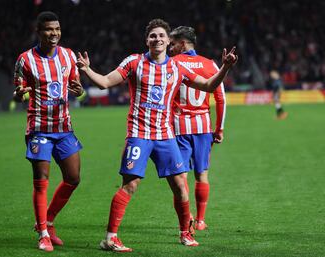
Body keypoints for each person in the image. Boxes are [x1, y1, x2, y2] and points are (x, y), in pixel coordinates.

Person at [77, 18, 237, 252]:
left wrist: (225, 68)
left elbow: (209, 86)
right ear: (147, 40)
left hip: (165, 135)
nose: (158, 39)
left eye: (162, 36)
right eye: (153, 36)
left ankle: (185, 233)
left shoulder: (177, 67)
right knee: (130, 185)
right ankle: (110, 238)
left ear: (168, 40)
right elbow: (105, 82)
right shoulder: (134, 62)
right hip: (139, 134)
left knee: (181, 185)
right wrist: (87, 69)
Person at [12, 11, 85, 252]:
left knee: (73, 178)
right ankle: (43, 232)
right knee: (41, 181)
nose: (53, 33)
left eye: (57, 29)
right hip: (39, 129)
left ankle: (49, 220)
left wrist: (79, 91)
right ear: (39, 32)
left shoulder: (68, 55)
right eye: (48, 29)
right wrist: (19, 94)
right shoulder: (25, 59)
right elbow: (18, 90)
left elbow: (77, 87)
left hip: (64, 128)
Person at [169, 26, 226, 232]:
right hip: (203, 128)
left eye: (173, 43)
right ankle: (201, 220)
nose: (170, 48)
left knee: (180, 175)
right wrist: (219, 129)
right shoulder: (210, 64)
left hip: (178, 128)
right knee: (202, 174)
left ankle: (188, 217)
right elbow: (220, 99)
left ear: (183, 44)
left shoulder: (172, 64)